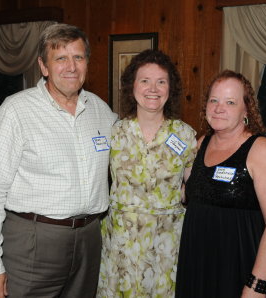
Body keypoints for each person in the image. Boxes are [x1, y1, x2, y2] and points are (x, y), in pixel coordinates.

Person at [0, 23, 117, 298]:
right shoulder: (16, 111)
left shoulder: (101, 110)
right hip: (33, 241)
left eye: (78, 57)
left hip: (89, 240)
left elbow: (132, 155)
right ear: (44, 66)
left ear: (87, 63)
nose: (71, 66)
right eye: (61, 58)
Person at [176, 69, 266, 297]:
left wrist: (256, 286)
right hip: (199, 262)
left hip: (241, 264)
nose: (219, 108)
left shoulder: (260, 150)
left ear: (246, 109)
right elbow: (188, 193)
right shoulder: (200, 144)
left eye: (230, 102)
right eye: (214, 100)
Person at [97, 49, 197, 297]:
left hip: (167, 243)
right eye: (145, 80)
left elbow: (195, 187)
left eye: (161, 81)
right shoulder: (114, 132)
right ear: (132, 86)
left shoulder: (184, 135)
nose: (153, 88)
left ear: (169, 88)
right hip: (121, 242)